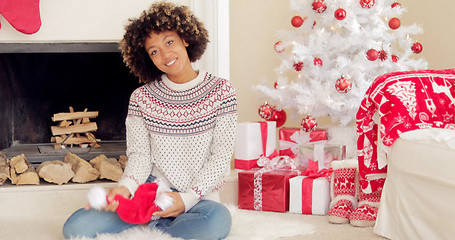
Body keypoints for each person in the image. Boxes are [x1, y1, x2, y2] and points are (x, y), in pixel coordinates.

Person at [62, 2, 237, 239]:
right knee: (75, 227)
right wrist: (125, 188)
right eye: (154, 51)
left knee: (216, 222)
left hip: (199, 199)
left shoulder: (222, 91)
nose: (165, 55)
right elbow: (140, 156)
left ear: (185, 38)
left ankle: (156, 227)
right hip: (152, 196)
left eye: (169, 42)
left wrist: (187, 199)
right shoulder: (141, 98)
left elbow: (220, 158)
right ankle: (156, 222)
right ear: (147, 58)